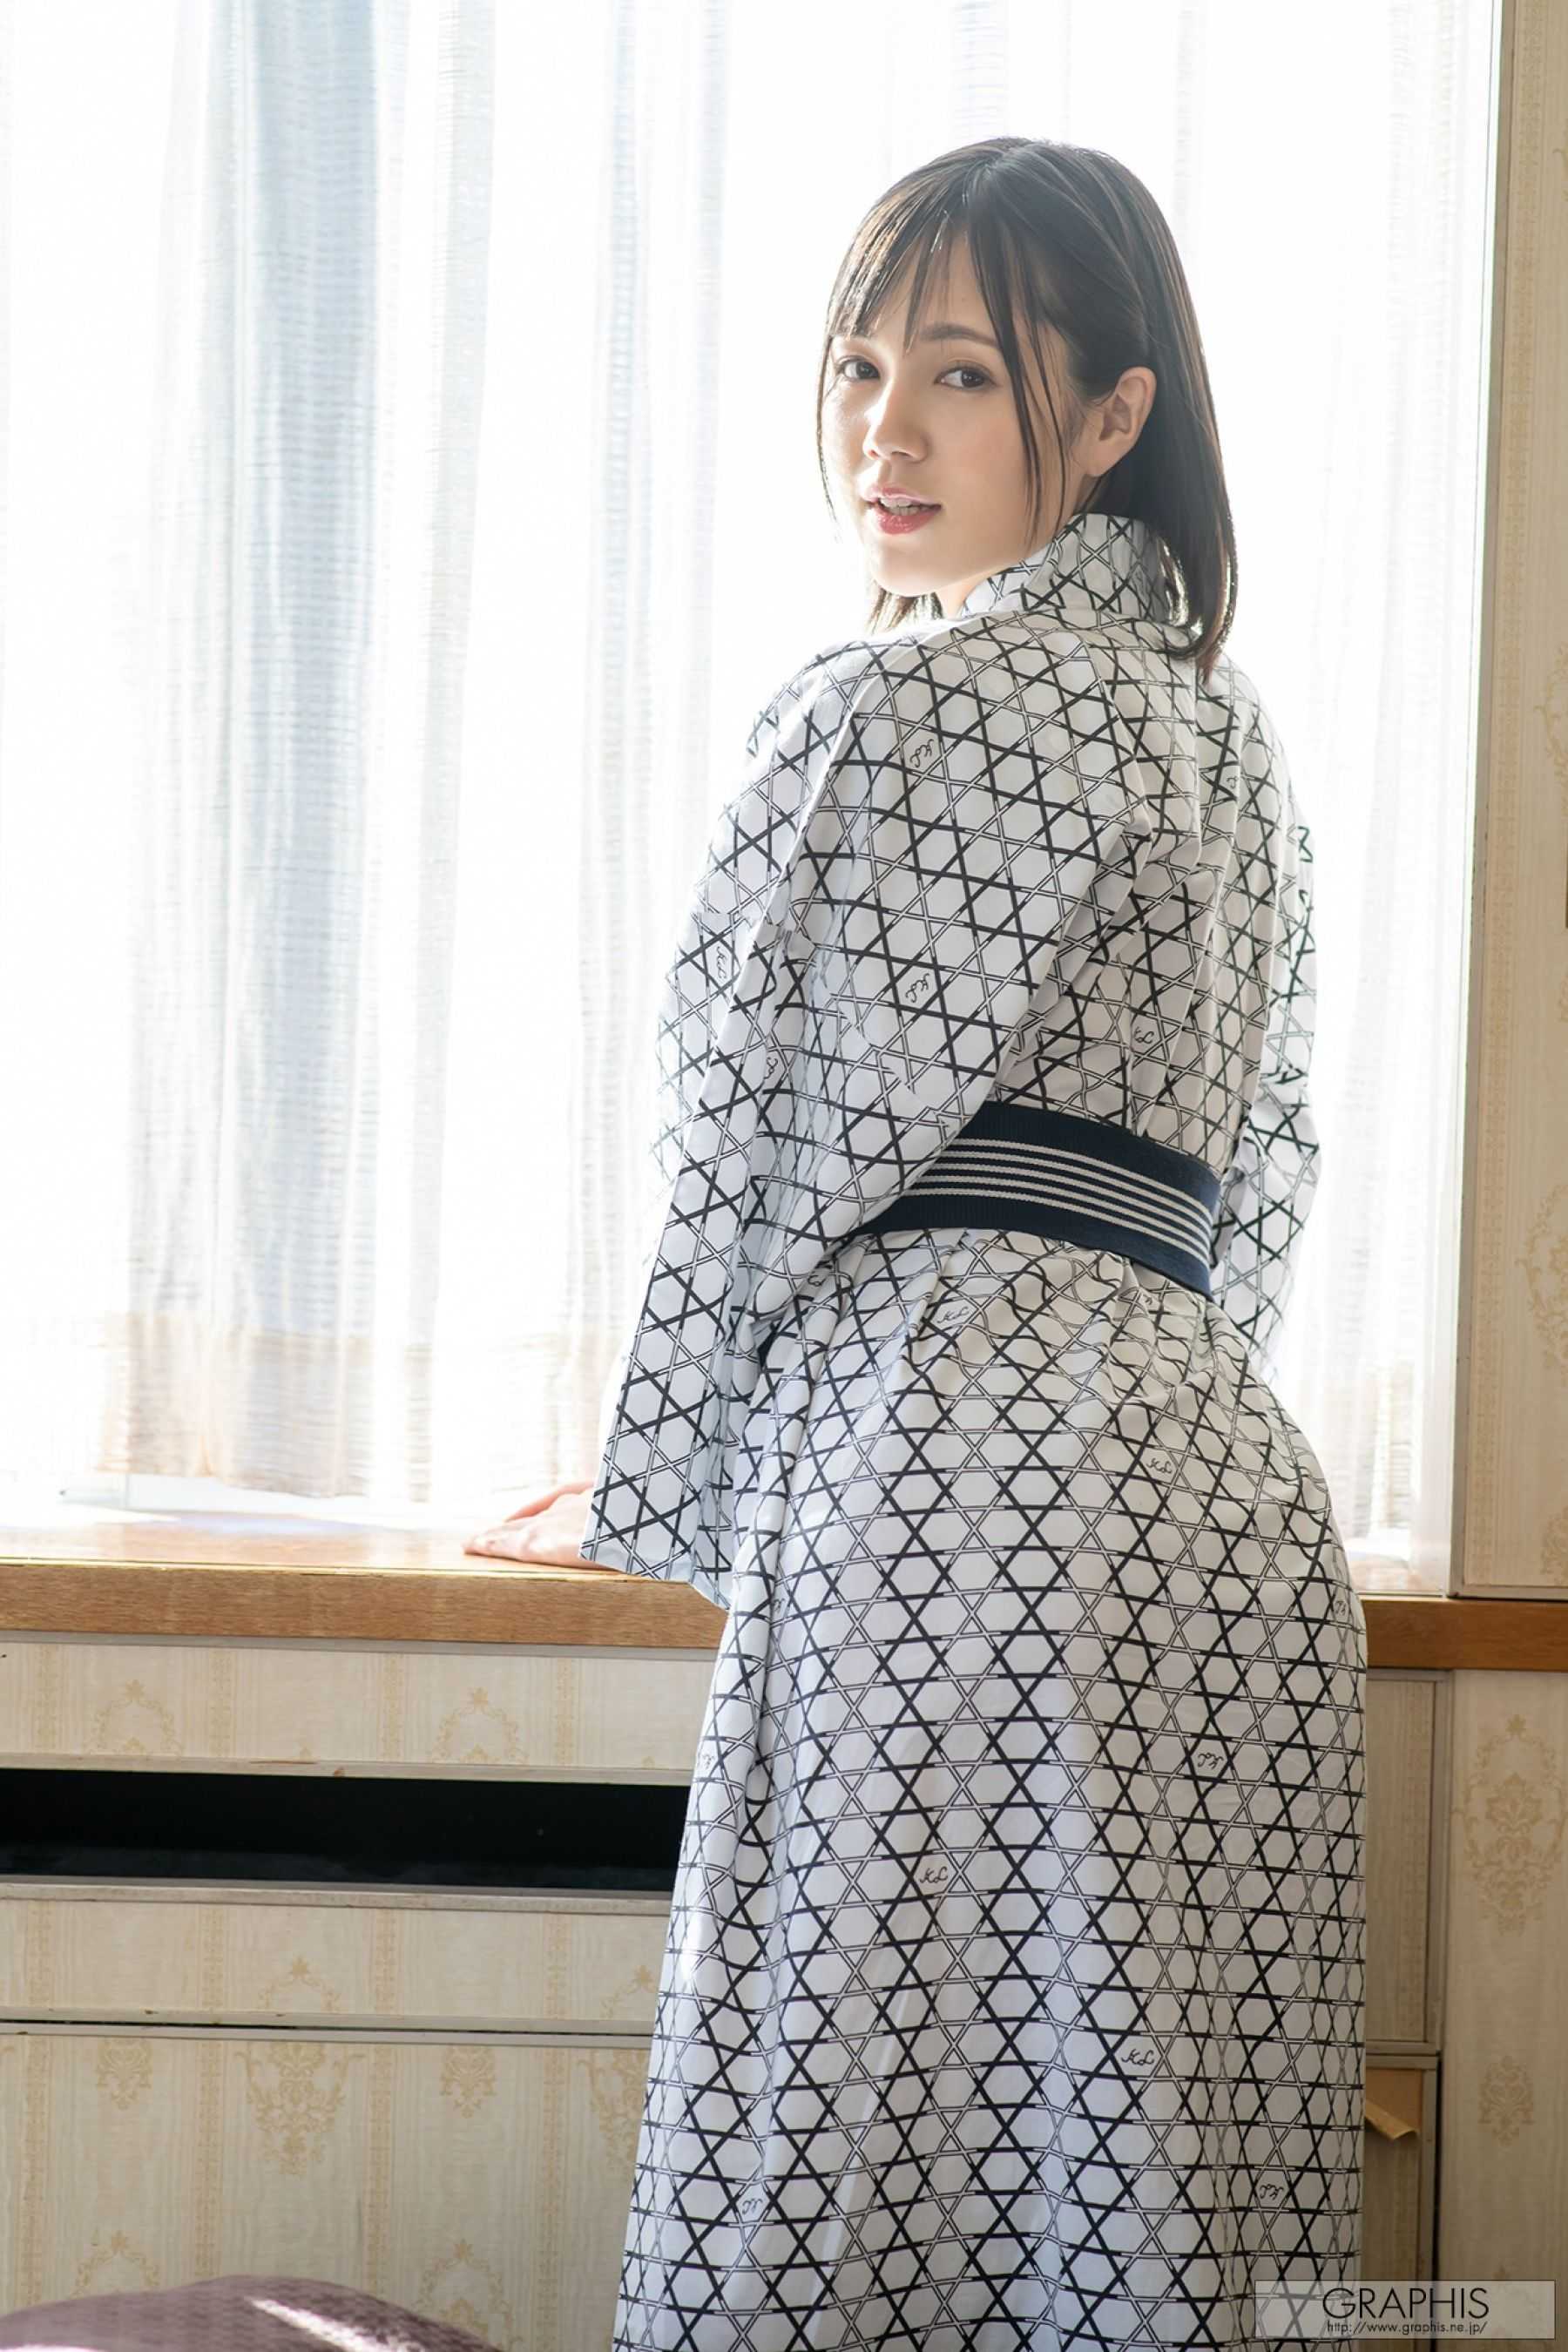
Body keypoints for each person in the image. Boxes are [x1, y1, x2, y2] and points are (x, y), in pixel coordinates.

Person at [468, 134, 1367, 2352]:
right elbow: (1261, 1166)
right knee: (1160, 2185)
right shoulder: (1233, 741)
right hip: (1223, 1492)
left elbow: (750, 1142)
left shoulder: (885, 705)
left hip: (945, 1474)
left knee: (860, 2165)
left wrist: (685, 1464)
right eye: (862, 365)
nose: (887, 428)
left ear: (1117, 411)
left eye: (963, 372)